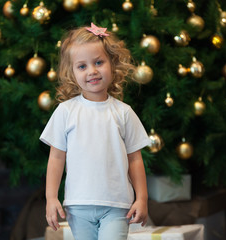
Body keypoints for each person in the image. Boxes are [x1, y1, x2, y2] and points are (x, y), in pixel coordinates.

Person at [40, 23, 151, 240]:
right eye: (82, 66)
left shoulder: (124, 113)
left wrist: (142, 198)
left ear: (112, 64)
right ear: (71, 72)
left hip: (117, 206)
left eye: (99, 62)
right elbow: (56, 158)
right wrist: (51, 198)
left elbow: (135, 159)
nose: (92, 71)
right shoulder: (66, 112)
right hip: (78, 206)